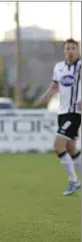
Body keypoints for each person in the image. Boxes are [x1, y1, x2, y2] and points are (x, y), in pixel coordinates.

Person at [40, 38, 81, 196]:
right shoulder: (59, 67)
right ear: (64, 51)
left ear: (77, 51)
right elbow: (55, 85)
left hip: (74, 113)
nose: (70, 51)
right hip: (62, 113)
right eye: (68, 48)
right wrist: (47, 95)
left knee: (58, 147)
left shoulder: (80, 66)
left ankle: (73, 181)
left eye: (73, 48)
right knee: (71, 149)